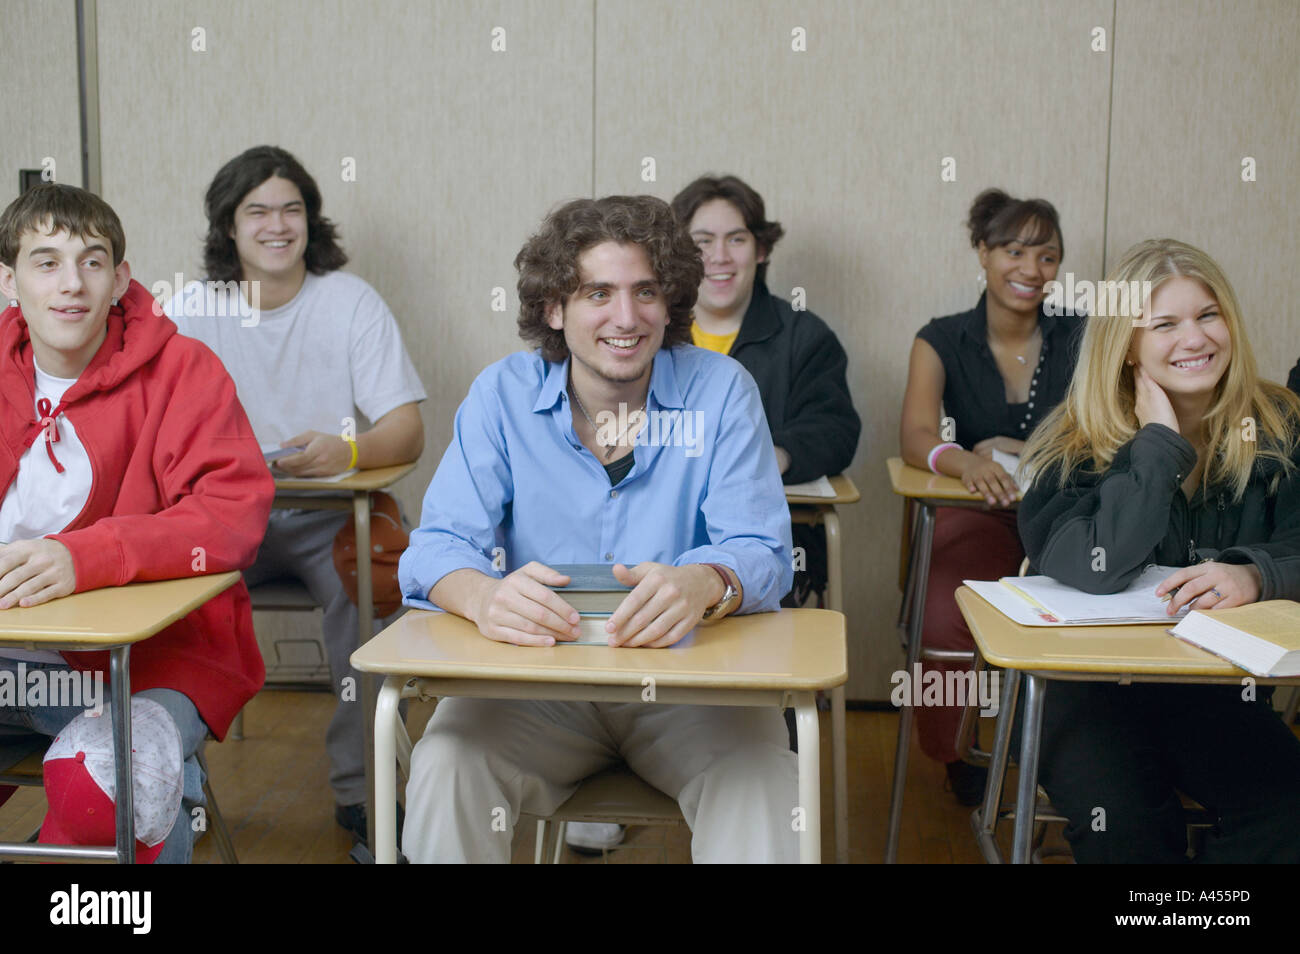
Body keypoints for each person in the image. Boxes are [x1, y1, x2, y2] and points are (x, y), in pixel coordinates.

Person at [396, 195, 797, 863]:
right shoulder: (502, 395)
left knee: (766, 782)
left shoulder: (722, 390)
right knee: (447, 763)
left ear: (669, 304)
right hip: (533, 687)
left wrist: (703, 581)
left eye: (646, 291)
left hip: (691, 685)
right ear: (554, 308)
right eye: (598, 293)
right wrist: (484, 597)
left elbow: (760, 550)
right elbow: (435, 547)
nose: (626, 317)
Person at [0, 183, 273, 862]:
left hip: (143, 661)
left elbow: (233, 516)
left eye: (92, 262)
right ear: (9, 280)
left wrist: (89, 555)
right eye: (46, 262)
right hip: (10, 665)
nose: (72, 285)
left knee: (112, 786)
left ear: (120, 277)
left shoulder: (184, 370)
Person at [165, 146, 426, 842]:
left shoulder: (349, 301)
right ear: (228, 226)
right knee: (161, 595)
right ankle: (171, 784)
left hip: (328, 513)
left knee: (373, 578)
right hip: (223, 515)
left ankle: (365, 788)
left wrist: (344, 451)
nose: (277, 224)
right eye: (258, 211)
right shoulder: (190, 309)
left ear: (311, 221)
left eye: (292, 209)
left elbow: (406, 430)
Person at [1018, 238, 1300, 863]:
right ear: (1126, 348)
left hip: (1214, 691)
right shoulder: (1071, 446)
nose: (1194, 339)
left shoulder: (1280, 426)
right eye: (1164, 324)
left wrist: (1258, 574)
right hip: (1088, 695)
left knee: (1290, 811)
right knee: (1127, 832)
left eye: (1207, 315)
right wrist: (1159, 443)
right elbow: (1099, 566)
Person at [898, 189, 1081, 804]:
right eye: (1015, 250)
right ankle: (956, 750)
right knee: (946, 606)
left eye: (1048, 256)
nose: (1032, 270)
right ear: (983, 252)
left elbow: (1115, 427)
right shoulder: (942, 337)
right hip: (980, 505)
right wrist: (967, 460)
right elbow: (917, 434)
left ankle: (1063, 754)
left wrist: (1044, 449)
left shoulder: (1082, 336)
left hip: (1065, 512)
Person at [670, 174, 860, 608]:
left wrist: (776, 454)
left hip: (768, 541)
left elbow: (836, 429)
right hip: (660, 534)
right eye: (702, 241)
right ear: (680, 253)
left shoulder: (805, 336)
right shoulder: (647, 333)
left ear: (761, 249)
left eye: (736, 240)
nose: (719, 257)